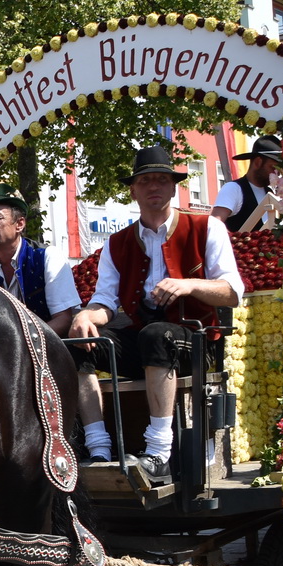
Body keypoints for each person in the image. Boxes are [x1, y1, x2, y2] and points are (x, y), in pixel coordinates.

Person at [70, 146, 244, 487]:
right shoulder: (117, 243)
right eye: (146, 180)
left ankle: (159, 451)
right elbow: (105, 301)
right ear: (133, 190)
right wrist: (87, 315)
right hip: (145, 341)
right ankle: (98, 446)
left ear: (174, 187)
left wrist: (188, 285)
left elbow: (232, 292)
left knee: (157, 335)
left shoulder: (206, 227)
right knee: (81, 342)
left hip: (194, 341)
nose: (154, 187)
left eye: (162, 180)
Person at [0, 187, 80, 335]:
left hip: (46, 352)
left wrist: (21, 346)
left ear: (20, 224)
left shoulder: (48, 257)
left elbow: (63, 319)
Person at [210, 135, 282, 232]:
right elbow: (214, 226)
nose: (276, 174)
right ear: (258, 162)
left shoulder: (270, 193)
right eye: (273, 168)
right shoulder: (233, 189)